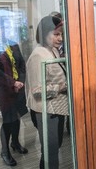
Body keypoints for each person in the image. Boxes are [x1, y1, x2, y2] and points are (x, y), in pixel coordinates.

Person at [26, 14, 69, 169]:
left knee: (53, 148)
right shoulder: (38, 55)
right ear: (44, 34)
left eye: (61, 34)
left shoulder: (53, 51)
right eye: (56, 34)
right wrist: (62, 87)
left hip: (55, 108)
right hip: (45, 111)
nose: (60, 38)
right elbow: (36, 90)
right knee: (50, 152)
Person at [0, 21, 28, 167]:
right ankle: (5, 151)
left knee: (16, 118)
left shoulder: (13, 44)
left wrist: (20, 82)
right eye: (2, 28)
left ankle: (15, 143)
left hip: (18, 88)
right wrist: (13, 83)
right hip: (5, 90)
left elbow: (22, 64)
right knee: (8, 120)